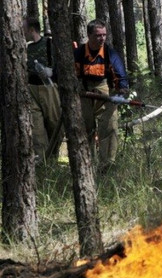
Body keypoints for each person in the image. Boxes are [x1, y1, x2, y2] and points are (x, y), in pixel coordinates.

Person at [74, 19, 129, 172]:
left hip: (105, 92)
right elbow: (68, 74)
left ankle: (106, 166)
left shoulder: (110, 53)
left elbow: (120, 75)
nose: (102, 38)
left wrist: (122, 90)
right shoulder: (78, 53)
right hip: (84, 93)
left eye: (104, 35)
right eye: (98, 35)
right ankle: (87, 165)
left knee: (110, 126)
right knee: (86, 128)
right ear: (89, 35)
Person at [24, 18, 63, 163]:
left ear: (32, 30)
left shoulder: (49, 44)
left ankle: (53, 159)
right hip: (32, 88)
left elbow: (63, 64)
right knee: (36, 128)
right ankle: (42, 163)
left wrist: (52, 72)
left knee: (54, 122)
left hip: (49, 88)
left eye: (24, 29)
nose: (23, 32)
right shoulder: (25, 48)